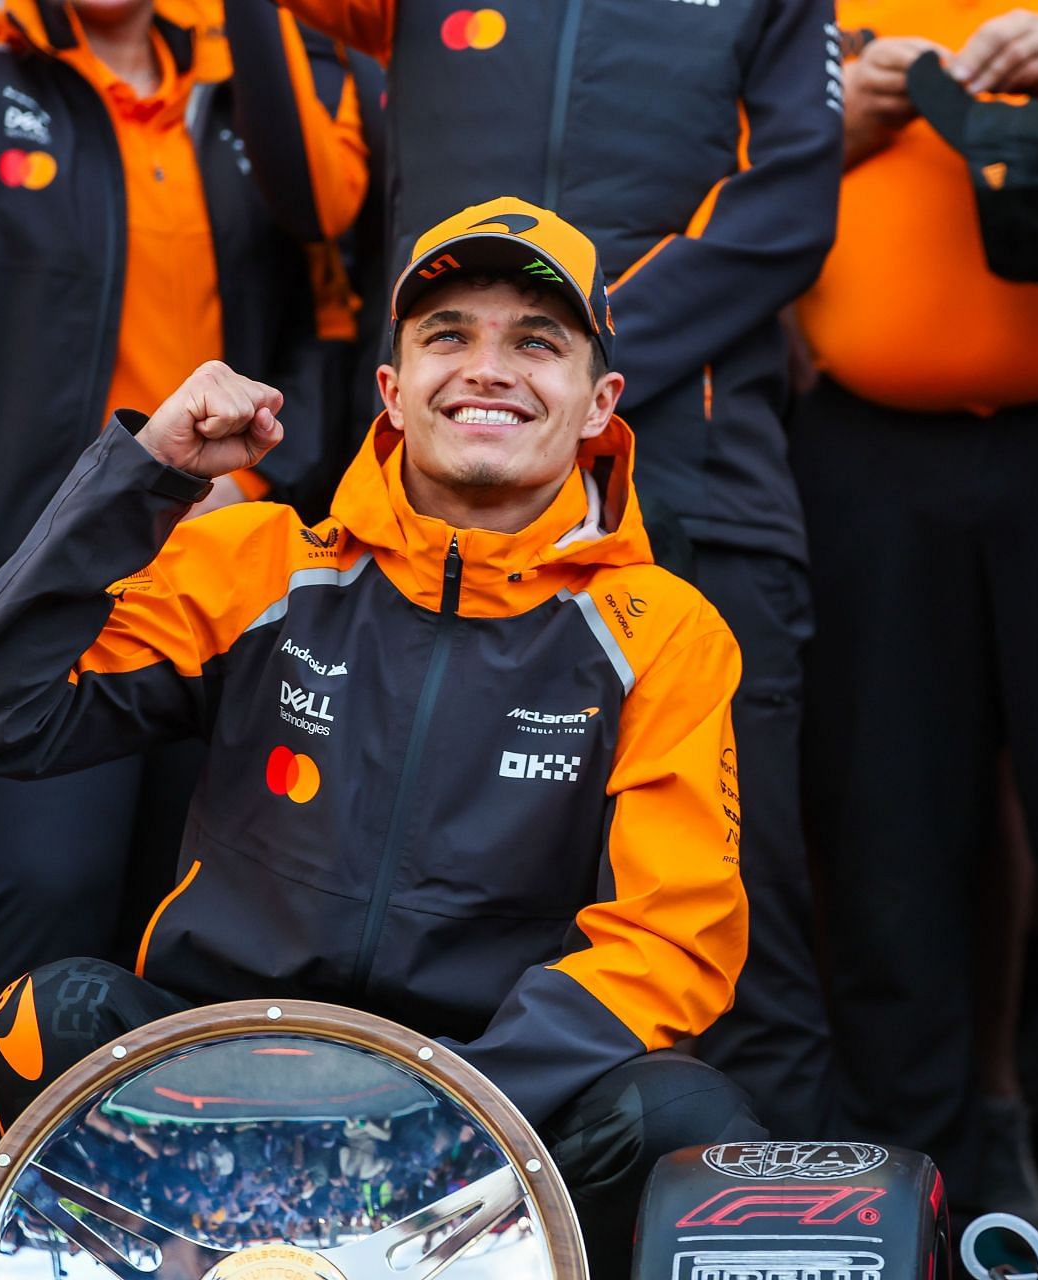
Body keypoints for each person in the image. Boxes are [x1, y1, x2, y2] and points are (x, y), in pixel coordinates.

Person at [0, 199, 765, 1277]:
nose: (486, 368)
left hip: (489, 1120)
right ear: (394, 389)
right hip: (230, 1084)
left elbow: (675, 937)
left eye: (536, 341)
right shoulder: (262, 565)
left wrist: (437, 1105)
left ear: (600, 402)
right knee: (55, 1015)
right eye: (448, 334)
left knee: (683, 1113)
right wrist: (143, 479)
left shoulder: (667, 633)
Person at [266, 0, 844, 1134]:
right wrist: (512, 379)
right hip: (431, 524)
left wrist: (558, 357)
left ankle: (771, 1230)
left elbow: (789, 204)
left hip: (705, 486)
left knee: (744, 928)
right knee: (404, 894)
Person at [0, 0, 367, 1223]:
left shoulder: (246, 81)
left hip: (216, 571)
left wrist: (263, 483)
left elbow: (323, 270)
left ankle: (163, 1230)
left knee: (187, 920)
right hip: (3, 567)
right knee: (52, 887)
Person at [792, 2, 1038, 1221]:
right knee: (885, 828)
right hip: (866, 442)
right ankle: (897, 1190)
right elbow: (701, 166)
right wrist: (833, 123)